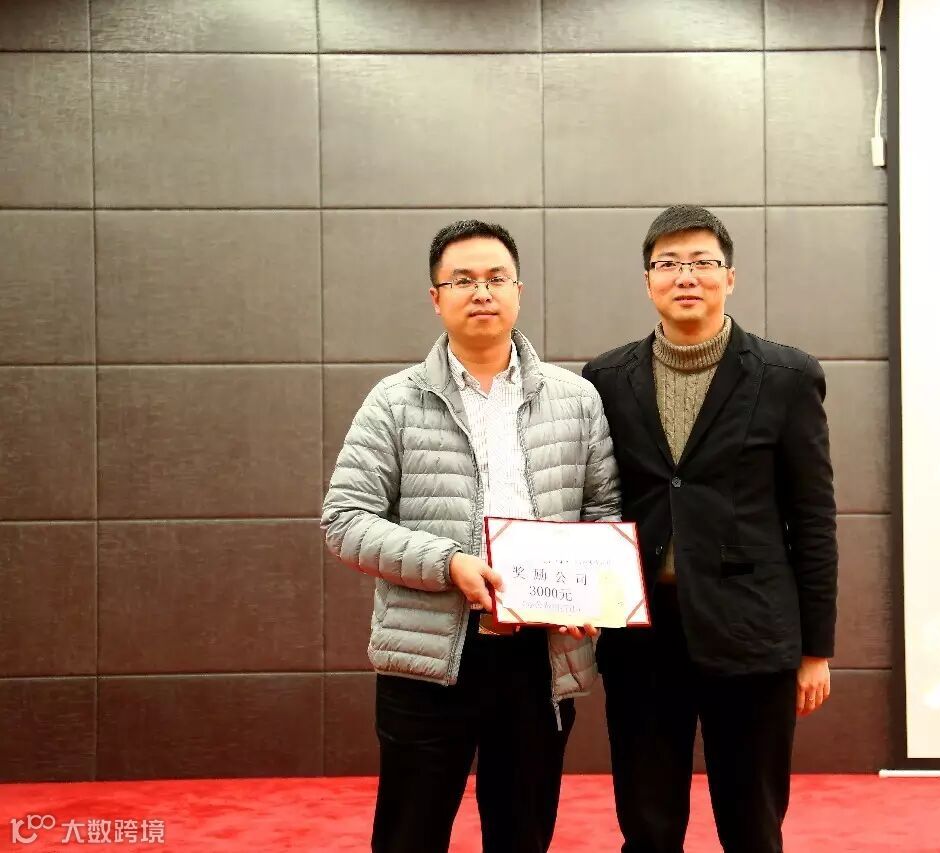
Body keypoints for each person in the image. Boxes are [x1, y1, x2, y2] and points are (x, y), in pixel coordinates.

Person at [322, 219, 619, 853]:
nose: (481, 291)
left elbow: (605, 509)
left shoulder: (576, 399)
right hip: (430, 656)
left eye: (495, 278)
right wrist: (448, 563)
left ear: (519, 291)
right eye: (462, 280)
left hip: (539, 658)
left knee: (522, 834)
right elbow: (344, 520)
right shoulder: (394, 402)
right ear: (436, 297)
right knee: (409, 837)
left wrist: (588, 592)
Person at [582, 205, 838, 853]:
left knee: (752, 826)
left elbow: (812, 520)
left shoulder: (787, 377)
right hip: (642, 635)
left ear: (730, 277)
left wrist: (816, 650)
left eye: (702, 262)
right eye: (668, 263)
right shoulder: (605, 380)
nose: (685, 276)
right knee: (648, 826)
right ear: (648, 281)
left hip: (751, 632)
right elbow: (597, 504)